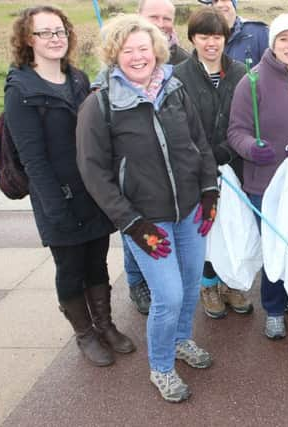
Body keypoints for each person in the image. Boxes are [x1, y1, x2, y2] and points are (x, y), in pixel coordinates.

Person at [76, 14, 218, 402]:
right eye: (128, 50)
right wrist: (132, 223)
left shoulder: (174, 89)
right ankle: (161, 366)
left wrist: (209, 191)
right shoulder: (99, 104)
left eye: (144, 48)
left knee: (190, 285)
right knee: (168, 295)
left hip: (189, 209)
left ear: (156, 50)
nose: (138, 57)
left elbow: (199, 143)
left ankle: (180, 340)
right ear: (114, 54)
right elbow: (94, 173)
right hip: (145, 219)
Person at [4, 6, 135, 367]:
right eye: (44, 32)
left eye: (59, 30)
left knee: (97, 260)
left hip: (91, 190)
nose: (54, 38)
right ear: (28, 40)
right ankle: (85, 334)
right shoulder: (21, 90)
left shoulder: (77, 79)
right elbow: (33, 159)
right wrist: (55, 206)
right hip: (56, 197)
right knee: (71, 267)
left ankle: (106, 325)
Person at [227, 13, 288, 340]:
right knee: (274, 249)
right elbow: (236, 131)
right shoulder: (251, 82)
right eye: (284, 39)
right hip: (264, 182)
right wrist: (253, 148)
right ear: (273, 43)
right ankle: (274, 308)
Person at [174, 7, 253, 319]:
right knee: (204, 226)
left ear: (226, 38)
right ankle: (208, 283)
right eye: (203, 36)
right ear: (193, 38)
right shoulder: (179, 76)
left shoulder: (241, 74)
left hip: (234, 162)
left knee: (234, 224)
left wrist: (228, 151)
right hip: (195, 168)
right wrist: (205, 157)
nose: (211, 43)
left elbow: (248, 120)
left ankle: (232, 281)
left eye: (217, 36)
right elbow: (177, 125)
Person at [122, 0, 190, 315]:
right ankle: (138, 282)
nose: (161, 23)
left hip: (175, 180)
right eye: (154, 17)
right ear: (139, 17)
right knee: (136, 238)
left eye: (167, 18)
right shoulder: (120, 65)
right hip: (138, 186)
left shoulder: (181, 60)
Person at [202, 0, 268, 66]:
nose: (219, 4)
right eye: (215, 1)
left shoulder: (258, 33)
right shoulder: (202, 36)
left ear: (234, 2)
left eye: (224, 0)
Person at [139, 0, 189, 65]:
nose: (160, 24)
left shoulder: (184, 62)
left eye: (166, 19)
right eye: (154, 17)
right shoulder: (122, 52)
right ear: (138, 16)